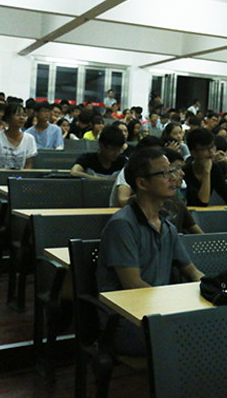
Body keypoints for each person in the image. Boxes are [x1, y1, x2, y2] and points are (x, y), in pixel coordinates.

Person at [96, 147, 205, 356]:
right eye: (164, 173)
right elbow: (133, 286)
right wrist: (174, 306)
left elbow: (192, 272)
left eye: (172, 171)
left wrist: (215, 290)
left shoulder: (167, 227)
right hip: (127, 320)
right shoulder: (122, 225)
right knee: (202, 338)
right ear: (142, 183)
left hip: (158, 313)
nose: (173, 178)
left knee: (218, 324)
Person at [182, 128, 227, 208]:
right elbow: (202, 202)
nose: (211, 152)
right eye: (206, 149)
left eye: (212, 147)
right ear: (194, 153)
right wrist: (207, 172)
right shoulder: (185, 172)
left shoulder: (214, 168)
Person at [0, 103, 37, 169]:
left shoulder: (29, 138)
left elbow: (29, 164)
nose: (21, 118)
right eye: (17, 115)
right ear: (8, 117)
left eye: (24, 115)